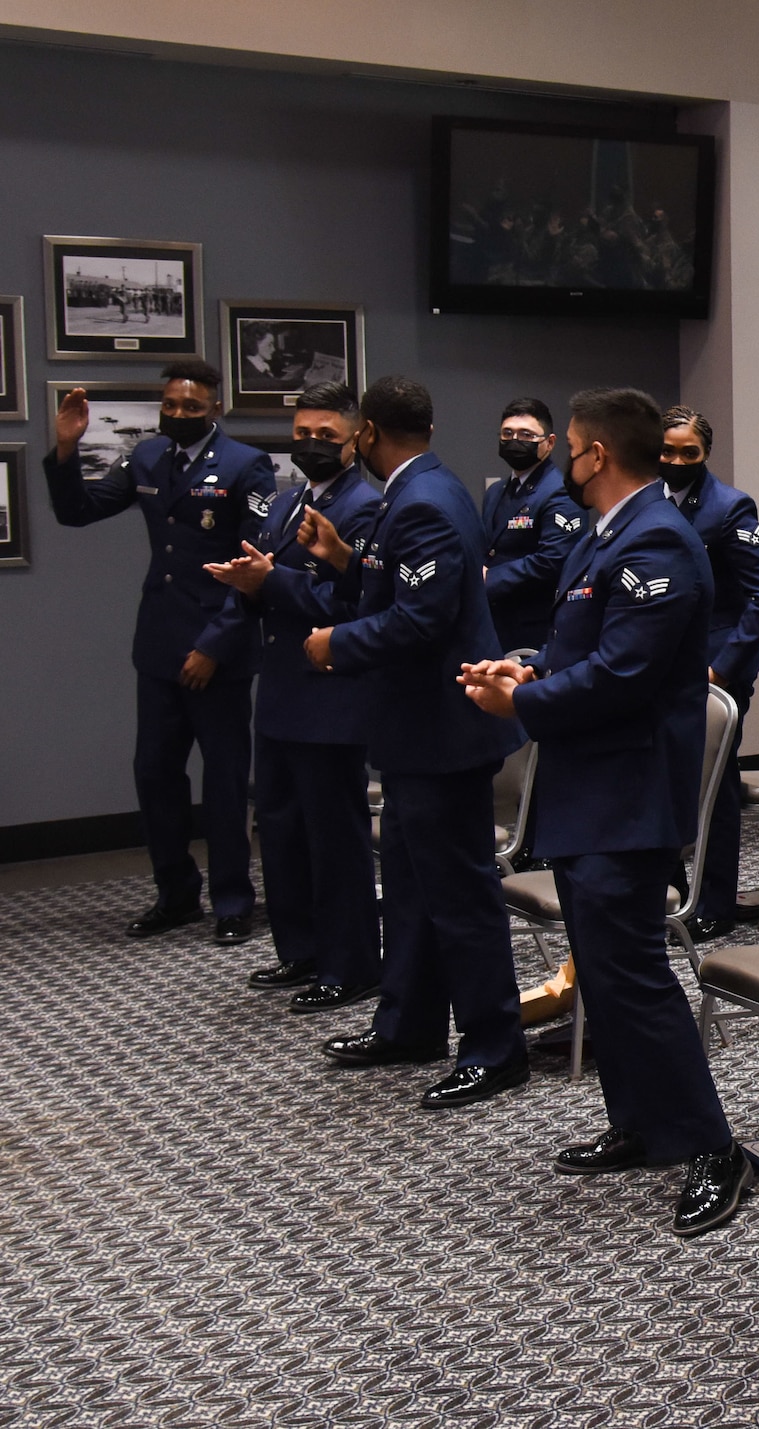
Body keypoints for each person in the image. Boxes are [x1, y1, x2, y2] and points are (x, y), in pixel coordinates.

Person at [459, 387, 748, 1236]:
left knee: (634, 974)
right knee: (603, 969)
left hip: (627, 796)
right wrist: (522, 671)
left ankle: (711, 1146)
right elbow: (574, 648)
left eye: (574, 449)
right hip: (589, 789)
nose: (565, 462)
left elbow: (623, 674)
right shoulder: (607, 532)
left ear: (595, 453)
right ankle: (641, 1122)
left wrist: (525, 705)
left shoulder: (657, 538)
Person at [298, 375, 530, 1110]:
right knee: (409, 890)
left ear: (367, 432)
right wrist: (342, 559)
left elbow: (421, 620)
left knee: (461, 897)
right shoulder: (419, 487)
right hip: (412, 733)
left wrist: (336, 642)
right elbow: (397, 586)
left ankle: (496, 1047)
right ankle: (409, 1023)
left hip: (443, 733)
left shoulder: (424, 499)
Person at [42, 362, 277, 945]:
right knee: (154, 774)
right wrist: (66, 450)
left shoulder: (248, 465)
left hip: (218, 647)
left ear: (214, 408)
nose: (176, 415)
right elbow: (79, 510)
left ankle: (231, 901)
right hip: (159, 643)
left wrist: (213, 647)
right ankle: (174, 895)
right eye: (169, 405)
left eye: (189, 408)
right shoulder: (146, 457)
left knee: (222, 782)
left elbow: (253, 568)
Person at [201, 382, 383, 1010]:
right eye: (302, 434)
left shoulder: (366, 508)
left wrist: (270, 582)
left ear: (356, 438)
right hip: (278, 691)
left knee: (332, 836)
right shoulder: (283, 504)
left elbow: (349, 604)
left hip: (330, 697)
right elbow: (265, 580)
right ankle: (300, 951)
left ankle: (351, 962)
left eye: (325, 436)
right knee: (278, 830)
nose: (310, 445)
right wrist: (247, 584)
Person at [658, 404, 759, 943]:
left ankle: (715, 900)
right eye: (668, 451)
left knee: (713, 783)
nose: (677, 461)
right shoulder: (643, 500)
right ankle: (664, 893)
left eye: (690, 453)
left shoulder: (730, 508)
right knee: (658, 779)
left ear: (706, 454)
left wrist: (724, 669)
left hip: (716, 667)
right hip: (655, 665)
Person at [483, 397, 584, 654]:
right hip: (493, 621)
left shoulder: (560, 492)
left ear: (549, 443)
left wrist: (489, 578)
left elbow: (553, 560)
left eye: (526, 435)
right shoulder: (496, 492)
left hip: (534, 628)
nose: (515, 441)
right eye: (508, 433)